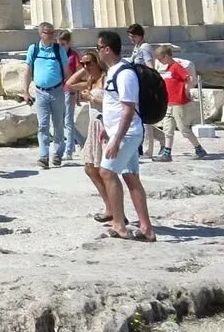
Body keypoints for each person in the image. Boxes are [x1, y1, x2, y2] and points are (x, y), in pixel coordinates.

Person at [96, 30, 154, 242]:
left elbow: (128, 109)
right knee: (131, 178)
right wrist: (107, 128)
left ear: (107, 49)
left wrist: (117, 139)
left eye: (98, 48)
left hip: (127, 134)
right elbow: (113, 104)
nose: (97, 52)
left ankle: (119, 224)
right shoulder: (113, 71)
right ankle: (147, 229)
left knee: (107, 173)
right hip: (119, 131)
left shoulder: (125, 73)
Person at [66, 49, 110, 221]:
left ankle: (113, 209)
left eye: (89, 63)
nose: (86, 66)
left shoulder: (106, 79)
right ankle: (109, 206)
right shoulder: (91, 80)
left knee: (103, 170)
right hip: (93, 126)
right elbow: (69, 83)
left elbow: (112, 103)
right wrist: (85, 69)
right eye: (83, 63)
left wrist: (91, 99)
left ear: (98, 62)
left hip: (104, 124)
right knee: (90, 168)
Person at [22, 21, 71, 170]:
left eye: (52, 33)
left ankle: (58, 153)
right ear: (41, 34)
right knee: (42, 126)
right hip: (40, 91)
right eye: (47, 33)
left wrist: (68, 87)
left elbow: (67, 70)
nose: (51, 36)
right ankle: (43, 156)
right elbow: (28, 71)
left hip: (57, 91)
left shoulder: (59, 49)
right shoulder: (34, 49)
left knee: (58, 124)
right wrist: (25, 91)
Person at [153, 44, 206, 160]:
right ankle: (167, 154)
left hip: (178, 102)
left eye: (160, 59)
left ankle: (199, 149)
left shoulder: (176, 67)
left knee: (183, 129)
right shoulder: (168, 68)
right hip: (169, 103)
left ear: (166, 56)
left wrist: (186, 91)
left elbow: (189, 78)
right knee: (168, 129)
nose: (159, 61)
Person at [125, 24, 158, 156]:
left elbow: (150, 67)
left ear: (139, 35)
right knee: (139, 117)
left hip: (144, 86)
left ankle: (147, 149)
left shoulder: (144, 48)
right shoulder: (137, 47)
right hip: (136, 85)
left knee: (144, 119)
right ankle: (161, 139)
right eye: (130, 36)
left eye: (133, 36)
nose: (131, 39)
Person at [59, 30, 84, 160]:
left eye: (63, 44)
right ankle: (82, 141)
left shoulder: (74, 56)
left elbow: (79, 74)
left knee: (68, 120)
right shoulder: (58, 54)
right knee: (62, 121)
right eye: (59, 44)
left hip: (70, 90)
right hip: (58, 90)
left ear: (68, 43)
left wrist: (78, 92)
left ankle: (69, 150)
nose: (61, 46)